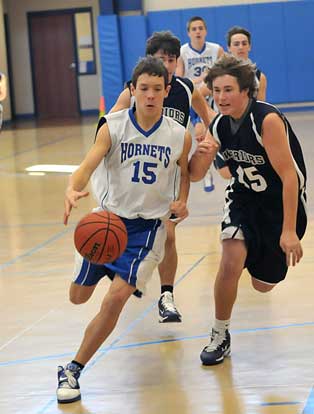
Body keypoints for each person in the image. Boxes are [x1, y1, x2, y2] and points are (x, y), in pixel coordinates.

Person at [57, 56, 191, 403]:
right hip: (107, 222)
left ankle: (72, 369)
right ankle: (100, 268)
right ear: (132, 90)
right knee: (78, 297)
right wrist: (73, 187)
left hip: (146, 231)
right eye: (143, 89)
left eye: (157, 90)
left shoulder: (179, 135)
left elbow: (184, 171)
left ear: (167, 91)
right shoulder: (113, 125)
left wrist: (182, 200)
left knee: (116, 299)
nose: (149, 96)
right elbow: (87, 165)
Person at [190, 54, 307, 366]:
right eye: (215, 91)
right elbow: (197, 174)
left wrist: (288, 230)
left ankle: (257, 253)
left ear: (246, 91)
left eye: (228, 90)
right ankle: (219, 334)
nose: (221, 97)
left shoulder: (266, 120)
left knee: (263, 285)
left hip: (278, 204)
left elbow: (289, 177)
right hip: (242, 198)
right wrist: (202, 153)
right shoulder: (217, 124)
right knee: (230, 260)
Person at [93, 31, 215, 324]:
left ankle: (166, 296)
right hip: (137, 175)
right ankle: (130, 271)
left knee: (169, 234)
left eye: (172, 59)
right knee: (143, 230)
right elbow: (108, 126)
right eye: (162, 59)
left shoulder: (186, 89)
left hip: (172, 172)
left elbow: (210, 116)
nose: (168, 64)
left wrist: (208, 136)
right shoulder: (133, 91)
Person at [176, 16, 224, 192]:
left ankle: (219, 163)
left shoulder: (216, 50)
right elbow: (180, 79)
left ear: (205, 31)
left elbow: (223, 73)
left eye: (200, 28)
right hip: (194, 99)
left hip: (214, 97)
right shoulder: (182, 52)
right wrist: (202, 80)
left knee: (217, 134)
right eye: (194, 29)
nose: (197, 31)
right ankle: (207, 169)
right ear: (188, 33)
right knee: (201, 135)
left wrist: (208, 84)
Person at [227, 26, 267, 101]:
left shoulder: (259, 77)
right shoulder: (218, 73)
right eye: (236, 44)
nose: (241, 47)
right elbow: (200, 95)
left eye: (244, 43)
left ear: (249, 47)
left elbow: (261, 106)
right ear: (229, 48)